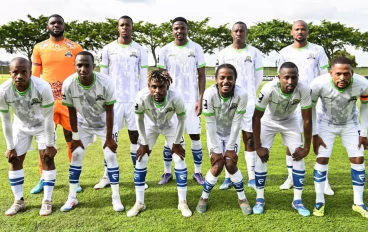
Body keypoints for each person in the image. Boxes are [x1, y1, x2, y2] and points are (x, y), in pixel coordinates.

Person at [60, 51, 124, 212]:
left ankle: (116, 198)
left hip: (105, 124)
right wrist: (75, 137)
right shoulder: (68, 84)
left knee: (110, 155)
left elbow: (110, 111)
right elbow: (72, 112)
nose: (83, 69)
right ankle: (72, 198)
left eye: (87, 65)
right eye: (79, 65)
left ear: (93, 66)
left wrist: (109, 138)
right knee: (76, 154)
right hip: (84, 123)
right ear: (74, 66)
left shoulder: (106, 82)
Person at [277, 20, 333, 195]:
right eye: (297, 29)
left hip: (313, 101)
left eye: (303, 29)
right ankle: (291, 177)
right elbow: (280, 78)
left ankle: (324, 181)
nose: (300, 32)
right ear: (291, 32)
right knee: (291, 140)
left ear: (307, 32)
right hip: (291, 102)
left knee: (318, 139)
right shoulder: (284, 52)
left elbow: (325, 76)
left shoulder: (317, 50)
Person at [127, 70, 192, 217]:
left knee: (178, 158)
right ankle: (139, 203)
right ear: (149, 86)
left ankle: (182, 202)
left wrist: (176, 143)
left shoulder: (176, 97)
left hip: (170, 126)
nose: (157, 90)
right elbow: (139, 120)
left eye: (161, 87)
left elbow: (182, 120)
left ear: (167, 85)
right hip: (150, 126)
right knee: (141, 159)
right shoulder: (141, 97)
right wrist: (143, 143)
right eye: (153, 86)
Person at [31, 14, 83, 194]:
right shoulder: (39, 48)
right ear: (47, 26)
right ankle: (43, 178)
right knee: (44, 141)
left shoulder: (75, 47)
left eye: (59, 22)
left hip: (69, 102)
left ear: (64, 25)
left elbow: (81, 75)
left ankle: (74, 177)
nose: (56, 25)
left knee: (73, 139)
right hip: (47, 103)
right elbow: (34, 77)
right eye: (52, 23)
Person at [252, 62, 312, 216]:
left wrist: (306, 147)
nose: (290, 81)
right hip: (268, 121)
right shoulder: (268, 89)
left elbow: (307, 120)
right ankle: (260, 199)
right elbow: (256, 117)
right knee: (261, 158)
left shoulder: (304, 89)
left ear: (298, 77)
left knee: (298, 156)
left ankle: (297, 200)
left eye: (294, 77)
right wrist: (258, 146)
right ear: (279, 77)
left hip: (290, 121)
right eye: (286, 78)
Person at [311, 57, 368, 218]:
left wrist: (363, 133)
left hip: (350, 124)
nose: (342, 78)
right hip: (325, 124)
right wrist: (315, 133)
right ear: (331, 73)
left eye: (346, 74)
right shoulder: (318, 84)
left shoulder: (362, 83)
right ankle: (319, 201)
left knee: (358, 160)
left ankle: (358, 202)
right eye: (338, 74)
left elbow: (365, 106)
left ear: (352, 73)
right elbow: (311, 109)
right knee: (322, 159)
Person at [97, 15, 148, 190]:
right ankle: (106, 175)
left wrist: (142, 97)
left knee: (135, 136)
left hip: (133, 99)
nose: (125, 27)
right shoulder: (108, 49)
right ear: (117, 28)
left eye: (128, 25)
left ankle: (138, 173)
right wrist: (104, 98)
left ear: (132, 27)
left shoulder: (140, 50)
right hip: (114, 101)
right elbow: (103, 77)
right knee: (110, 137)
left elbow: (143, 77)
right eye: (122, 25)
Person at [0, 58, 57, 216]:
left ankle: (47, 201)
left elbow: (48, 118)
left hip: (42, 126)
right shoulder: (3, 91)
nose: (19, 76)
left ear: (30, 73)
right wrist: (10, 147)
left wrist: (50, 144)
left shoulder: (42, 87)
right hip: (20, 127)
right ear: (10, 73)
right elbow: (5, 120)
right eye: (15, 72)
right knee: (14, 159)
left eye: (23, 71)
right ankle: (19, 201)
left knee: (47, 158)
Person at [196, 63, 252, 215]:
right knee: (218, 164)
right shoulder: (209, 94)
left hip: (231, 134)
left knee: (230, 163)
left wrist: (230, 147)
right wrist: (215, 149)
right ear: (216, 79)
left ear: (235, 79)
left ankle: (242, 199)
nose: (226, 81)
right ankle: (204, 198)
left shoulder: (242, 94)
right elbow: (210, 123)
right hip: (214, 133)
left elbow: (237, 122)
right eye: (222, 78)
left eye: (230, 78)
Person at [157, 17, 206, 185]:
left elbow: (201, 75)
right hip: (171, 101)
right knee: (170, 137)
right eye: (176, 28)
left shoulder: (196, 48)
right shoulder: (165, 50)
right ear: (172, 30)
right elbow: (161, 79)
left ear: (187, 29)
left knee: (194, 135)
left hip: (191, 100)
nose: (179, 31)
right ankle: (166, 172)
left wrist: (200, 99)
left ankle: (198, 172)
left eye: (182, 28)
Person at [216, 21, 263, 190]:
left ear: (246, 33)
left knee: (249, 137)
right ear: (231, 33)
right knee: (230, 139)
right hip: (228, 102)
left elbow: (258, 77)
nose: (239, 33)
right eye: (236, 31)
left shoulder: (255, 53)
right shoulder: (223, 53)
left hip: (249, 100)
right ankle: (229, 176)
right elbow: (219, 79)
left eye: (242, 31)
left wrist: (248, 93)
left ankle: (251, 176)